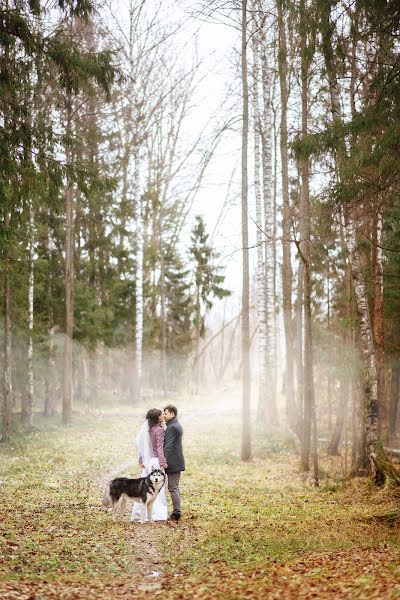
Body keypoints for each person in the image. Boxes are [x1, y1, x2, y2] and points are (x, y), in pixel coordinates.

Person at [131, 408, 168, 522]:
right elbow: (159, 447)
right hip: (156, 461)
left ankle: (138, 514)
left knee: (144, 488)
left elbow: (140, 446)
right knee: (157, 488)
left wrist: (140, 460)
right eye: (160, 415)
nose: (162, 416)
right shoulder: (159, 430)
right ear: (157, 418)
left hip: (147, 461)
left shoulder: (147, 429)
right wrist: (162, 462)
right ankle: (157, 514)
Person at [163, 405, 185, 522]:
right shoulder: (173, 425)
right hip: (174, 461)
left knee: (173, 487)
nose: (164, 415)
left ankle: (176, 513)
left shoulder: (173, 427)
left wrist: (163, 461)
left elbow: (168, 447)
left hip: (172, 463)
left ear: (172, 414)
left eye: (165, 413)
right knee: (173, 487)